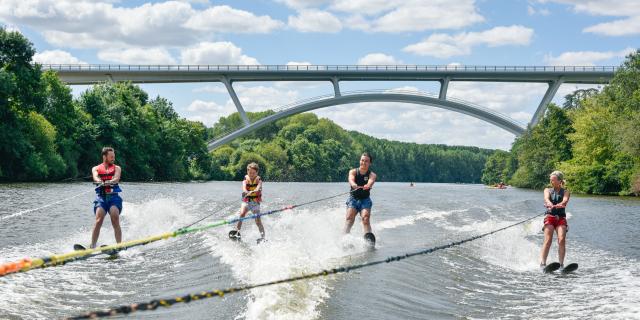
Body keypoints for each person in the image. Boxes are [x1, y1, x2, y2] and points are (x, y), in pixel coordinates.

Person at [90, 147, 123, 249]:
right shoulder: (95, 168)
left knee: (115, 217)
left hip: (113, 198)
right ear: (105, 157)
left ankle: (119, 245)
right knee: (99, 219)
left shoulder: (117, 168)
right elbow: (95, 177)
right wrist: (99, 181)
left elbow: (116, 178)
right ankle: (93, 246)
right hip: (101, 198)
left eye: (114, 156)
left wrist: (110, 181)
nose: (113, 158)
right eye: (111, 157)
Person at [539, 170, 571, 270]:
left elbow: (565, 200)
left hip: (561, 218)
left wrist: (561, 204)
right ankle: (543, 263)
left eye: (553, 180)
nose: (551, 181)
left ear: (559, 181)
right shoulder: (547, 190)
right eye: (550, 180)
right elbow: (546, 199)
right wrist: (549, 203)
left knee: (561, 240)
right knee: (548, 240)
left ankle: (561, 265)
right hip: (550, 217)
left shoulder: (566, 192)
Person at [344, 153, 377, 245]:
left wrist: (368, 185)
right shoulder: (353, 171)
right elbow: (350, 179)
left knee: (365, 218)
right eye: (362, 160)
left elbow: (371, 181)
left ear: (370, 163)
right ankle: (344, 238)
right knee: (349, 218)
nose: (364, 162)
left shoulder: (372, 174)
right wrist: (353, 184)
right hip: (353, 198)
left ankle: (368, 240)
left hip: (365, 200)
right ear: (360, 161)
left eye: (366, 161)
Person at [229, 162, 265, 243]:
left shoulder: (259, 180)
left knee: (258, 221)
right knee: (242, 214)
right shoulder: (245, 180)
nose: (251, 174)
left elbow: (259, 187)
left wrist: (256, 189)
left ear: (257, 173)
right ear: (247, 172)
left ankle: (263, 237)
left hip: (255, 203)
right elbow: (244, 188)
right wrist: (246, 192)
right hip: (246, 202)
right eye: (250, 172)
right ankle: (237, 232)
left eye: (253, 173)